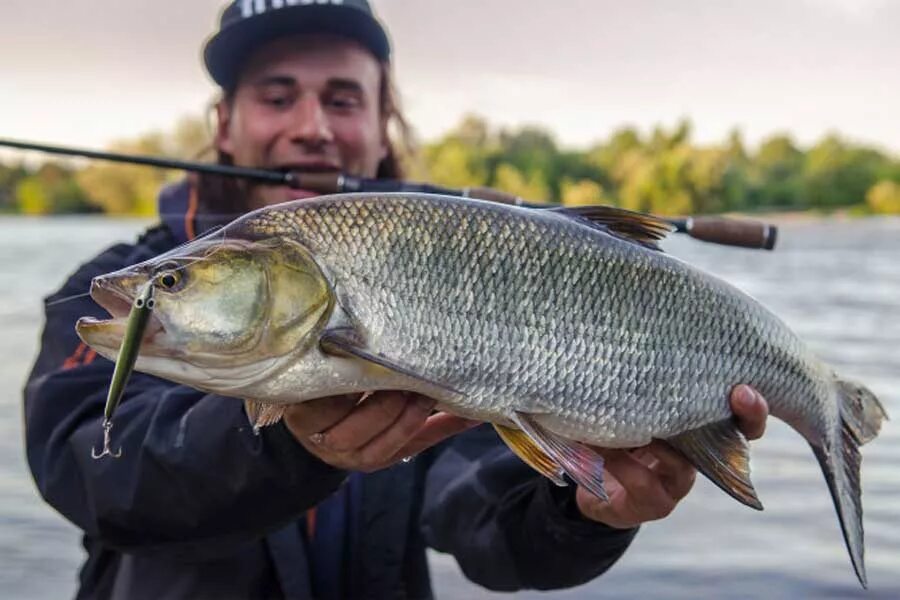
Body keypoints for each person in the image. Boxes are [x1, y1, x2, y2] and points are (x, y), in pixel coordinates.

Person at [24, 1, 770, 599]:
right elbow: (96, 480)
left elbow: (484, 528)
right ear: (224, 123)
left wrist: (587, 512)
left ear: (382, 125)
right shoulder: (117, 282)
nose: (311, 127)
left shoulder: (455, 276)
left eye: (342, 99)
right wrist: (286, 439)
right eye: (277, 95)